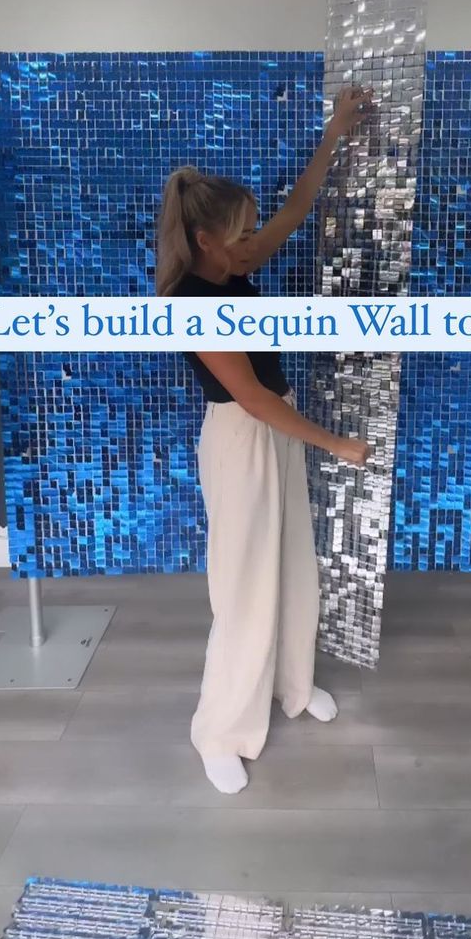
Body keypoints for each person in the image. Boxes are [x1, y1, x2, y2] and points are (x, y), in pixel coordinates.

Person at [155, 84, 375, 794]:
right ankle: (219, 730)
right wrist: (335, 445)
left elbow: (298, 207)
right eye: (242, 230)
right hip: (243, 434)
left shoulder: (235, 267)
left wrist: (335, 131)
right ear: (205, 240)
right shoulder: (191, 301)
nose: (256, 239)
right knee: (244, 585)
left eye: (251, 229)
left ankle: (291, 686)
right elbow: (247, 397)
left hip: (271, 427)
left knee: (290, 566)